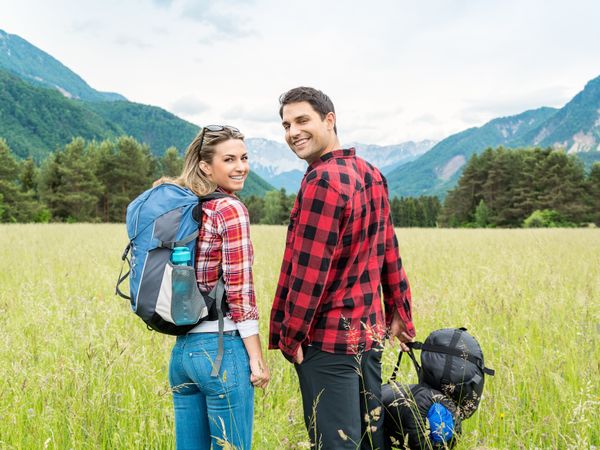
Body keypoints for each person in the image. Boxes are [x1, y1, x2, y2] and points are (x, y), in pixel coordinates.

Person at [269, 87, 415, 449]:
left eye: (302, 120)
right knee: (369, 440)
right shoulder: (370, 173)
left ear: (329, 120)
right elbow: (389, 249)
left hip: (327, 342)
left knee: (336, 443)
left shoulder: (321, 181)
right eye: (286, 124)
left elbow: (309, 273)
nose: (292, 132)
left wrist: (291, 337)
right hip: (368, 335)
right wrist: (400, 309)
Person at [161, 125, 270, 450]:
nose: (241, 167)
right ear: (206, 166)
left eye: (244, 157)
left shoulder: (185, 207)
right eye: (230, 159)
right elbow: (239, 289)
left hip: (182, 355)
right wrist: (256, 358)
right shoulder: (229, 209)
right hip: (221, 351)